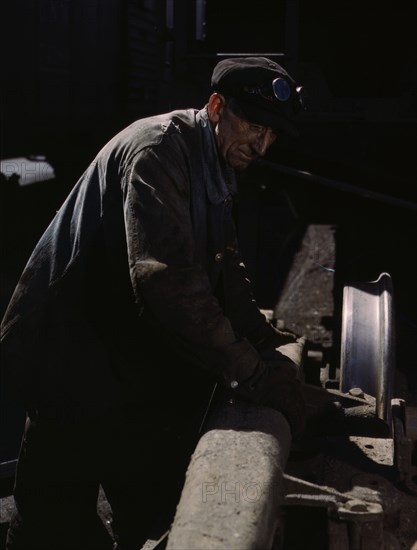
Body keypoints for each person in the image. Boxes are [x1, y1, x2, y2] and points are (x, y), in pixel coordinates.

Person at [1, 56, 307, 549]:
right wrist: (252, 372)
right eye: (254, 127)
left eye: (272, 135)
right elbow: (167, 281)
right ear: (215, 106)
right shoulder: (159, 151)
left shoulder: (216, 159)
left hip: (123, 354)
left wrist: (266, 342)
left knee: (145, 507)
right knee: (49, 520)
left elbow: (226, 268)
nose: (262, 145)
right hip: (70, 353)